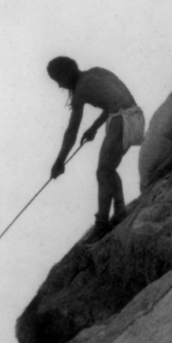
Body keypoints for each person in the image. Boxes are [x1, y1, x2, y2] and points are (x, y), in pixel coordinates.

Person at [47, 56, 145, 238]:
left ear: (66, 74)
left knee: (103, 171)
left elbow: (71, 131)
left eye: (59, 80)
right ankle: (120, 211)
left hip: (122, 119)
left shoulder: (80, 92)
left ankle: (101, 225)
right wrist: (94, 128)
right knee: (108, 169)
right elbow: (115, 101)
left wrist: (60, 161)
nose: (60, 86)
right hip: (136, 117)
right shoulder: (97, 72)